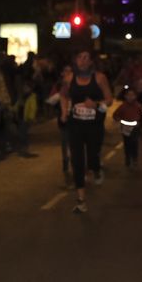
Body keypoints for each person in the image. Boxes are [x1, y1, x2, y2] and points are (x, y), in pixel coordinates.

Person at [60, 50, 113, 213]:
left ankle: (96, 170)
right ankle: (81, 201)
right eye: (79, 57)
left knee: (92, 157)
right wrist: (64, 112)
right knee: (77, 161)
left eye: (86, 58)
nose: (82, 60)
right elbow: (63, 95)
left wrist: (96, 104)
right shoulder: (69, 78)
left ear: (91, 62)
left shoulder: (99, 78)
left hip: (94, 125)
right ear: (75, 60)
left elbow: (110, 100)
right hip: (75, 124)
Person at [114, 86, 142, 169]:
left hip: (135, 128)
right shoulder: (122, 106)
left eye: (132, 95)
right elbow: (115, 115)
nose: (130, 97)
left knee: (134, 143)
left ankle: (134, 158)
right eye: (128, 95)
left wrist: (141, 123)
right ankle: (127, 158)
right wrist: (118, 119)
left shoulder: (138, 106)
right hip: (125, 128)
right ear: (125, 96)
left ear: (135, 96)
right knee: (127, 144)